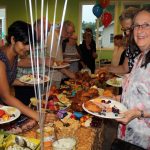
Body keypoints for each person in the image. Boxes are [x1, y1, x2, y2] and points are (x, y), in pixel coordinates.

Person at [0, 20, 54, 122]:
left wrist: (27, 83)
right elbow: (6, 96)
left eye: (30, 44)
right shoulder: (1, 59)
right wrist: (38, 116)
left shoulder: (14, 55)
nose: (28, 48)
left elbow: (6, 81)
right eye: (25, 44)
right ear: (13, 39)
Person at [114, 7, 150, 149]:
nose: (139, 30)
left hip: (144, 139)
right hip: (126, 136)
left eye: (146, 25)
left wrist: (138, 113)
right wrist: (116, 99)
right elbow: (137, 94)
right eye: (136, 26)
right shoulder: (139, 58)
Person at [100, 7, 140, 74]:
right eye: (124, 29)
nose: (127, 33)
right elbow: (124, 68)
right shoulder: (130, 45)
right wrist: (106, 68)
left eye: (129, 28)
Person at [46, 20, 76, 87]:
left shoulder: (60, 39)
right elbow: (52, 62)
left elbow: (56, 59)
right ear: (61, 28)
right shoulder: (53, 39)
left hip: (56, 76)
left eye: (71, 34)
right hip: (51, 77)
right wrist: (68, 73)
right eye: (68, 33)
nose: (69, 36)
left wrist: (63, 61)